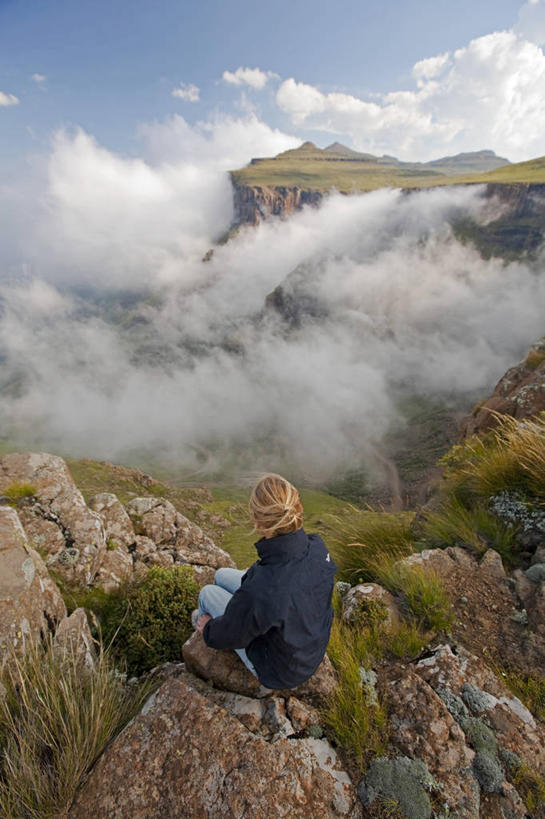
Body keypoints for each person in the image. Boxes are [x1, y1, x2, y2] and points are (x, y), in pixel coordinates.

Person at [194, 472, 337, 690]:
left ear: (259, 524)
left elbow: (233, 633)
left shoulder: (263, 588)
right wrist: (255, 574)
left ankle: (199, 625)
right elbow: (290, 581)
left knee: (206, 593)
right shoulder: (317, 547)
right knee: (221, 574)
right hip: (309, 646)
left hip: (280, 671)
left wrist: (209, 630)